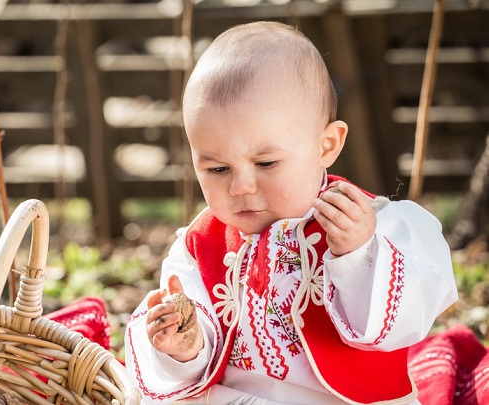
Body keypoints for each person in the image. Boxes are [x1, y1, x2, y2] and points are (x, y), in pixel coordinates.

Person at [124, 21, 458, 405]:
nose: (240, 187)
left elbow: (407, 318)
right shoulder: (199, 246)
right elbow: (193, 337)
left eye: (266, 163)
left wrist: (360, 255)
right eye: (217, 169)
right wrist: (184, 345)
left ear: (326, 145)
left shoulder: (373, 223)